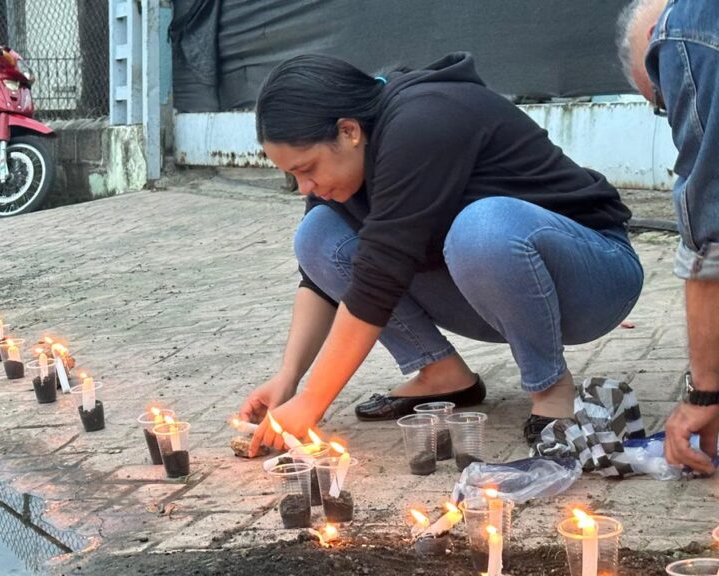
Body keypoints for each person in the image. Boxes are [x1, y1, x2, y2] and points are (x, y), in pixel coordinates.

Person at [239, 53, 644, 456]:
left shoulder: (423, 119)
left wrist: (313, 401)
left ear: (348, 131)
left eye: (307, 168)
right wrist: (289, 378)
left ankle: (551, 386)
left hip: (594, 278)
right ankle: (441, 373)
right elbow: (321, 280)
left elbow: (379, 276)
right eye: (293, 175)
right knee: (318, 233)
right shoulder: (347, 165)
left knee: (481, 228)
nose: (305, 186)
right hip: (496, 293)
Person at [619, 0, 719, 475]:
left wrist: (705, 391)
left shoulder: (690, 29)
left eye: (662, 97)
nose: (672, 108)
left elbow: (712, 235)